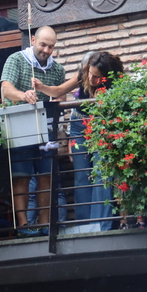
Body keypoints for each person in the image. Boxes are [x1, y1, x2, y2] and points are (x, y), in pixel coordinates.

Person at [35, 52, 124, 232]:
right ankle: (84, 227)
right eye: (90, 74)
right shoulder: (84, 73)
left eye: (97, 77)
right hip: (78, 125)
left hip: (100, 124)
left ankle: (102, 225)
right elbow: (59, 91)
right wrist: (41, 87)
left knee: (101, 173)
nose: (91, 79)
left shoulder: (115, 82)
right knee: (82, 175)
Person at [0, 26, 66, 232]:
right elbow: (6, 89)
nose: (46, 50)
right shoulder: (16, 59)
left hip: (46, 125)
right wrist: (23, 95)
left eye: (51, 47)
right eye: (43, 45)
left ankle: (45, 224)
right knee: (21, 175)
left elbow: (61, 96)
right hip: (20, 124)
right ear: (33, 40)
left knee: (47, 175)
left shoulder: (58, 69)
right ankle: (23, 225)